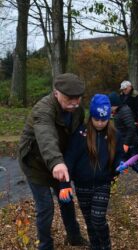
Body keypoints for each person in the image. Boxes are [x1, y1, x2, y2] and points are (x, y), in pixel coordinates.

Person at [18, 73, 88, 249]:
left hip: (60, 164)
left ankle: (74, 237)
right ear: (56, 93)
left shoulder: (77, 110)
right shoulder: (43, 109)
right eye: (70, 99)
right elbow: (45, 135)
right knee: (46, 207)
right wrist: (56, 161)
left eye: (78, 98)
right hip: (36, 164)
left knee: (67, 199)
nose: (75, 103)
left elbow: (77, 136)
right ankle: (45, 244)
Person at [59, 94, 123, 250]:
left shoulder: (115, 135)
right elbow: (69, 160)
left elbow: (119, 157)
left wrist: (120, 166)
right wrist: (64, 184)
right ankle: (95, 246)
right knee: (89, 221)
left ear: (109, 117)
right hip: (82, 185)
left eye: (104, 119)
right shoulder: (80, 134)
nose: (100, 123)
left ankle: (106, 246)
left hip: (103, 184)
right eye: (96, 119)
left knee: (98, 218)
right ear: (91, 116)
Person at [109, 92, 138, 193]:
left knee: (133, 163)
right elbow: (126, 124)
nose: (109, 108)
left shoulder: (124, 110)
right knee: (119, 163)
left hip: (130, 143)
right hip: (124, 142)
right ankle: (112, 186)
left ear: (115, 104)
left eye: (110, 106)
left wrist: (126, 144)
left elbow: (131, 128)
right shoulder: (119, 111)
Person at [119, 80, 138, 150]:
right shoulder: (121, 95)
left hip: (135, 119)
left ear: (130, 87)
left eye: (125, 89)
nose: (124, 91)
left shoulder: (136, 95)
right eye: (123, 89)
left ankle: (137, 156)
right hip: (124, 120)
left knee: (137, 138)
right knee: (126, 137)